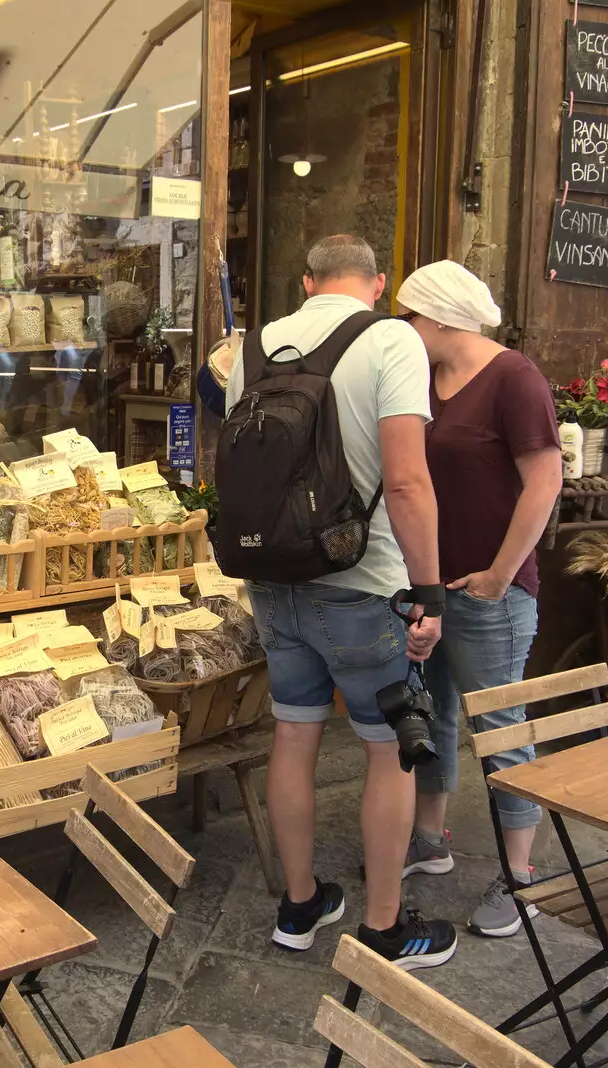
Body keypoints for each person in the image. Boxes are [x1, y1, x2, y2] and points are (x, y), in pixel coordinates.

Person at [225, 235, 457, 970]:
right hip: (364, 585)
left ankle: (301, 905)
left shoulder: (252, 349)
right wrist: (429, 592)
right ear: (379, 283)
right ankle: (387, 929)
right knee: (389, 749)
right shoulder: (391, 340)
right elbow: (410, 481)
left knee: (292, 736)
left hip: (273, 579)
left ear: (306, 280)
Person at [393, 260, 563, 938]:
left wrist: (499, 573)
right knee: (425, 712)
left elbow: (544, 484)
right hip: (426, 584)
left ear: (438, 318)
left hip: (490, 591)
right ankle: (430, 841)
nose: (403, 328)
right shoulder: (423, 379)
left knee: (500, 728)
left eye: (410, 316)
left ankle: (521, 877)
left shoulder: (514, 379)